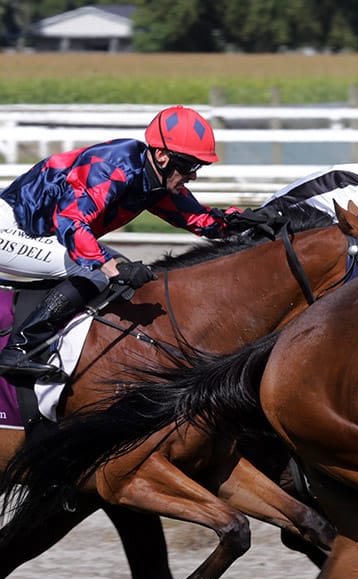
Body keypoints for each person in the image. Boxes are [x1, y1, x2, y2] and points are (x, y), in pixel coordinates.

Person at [0, 105, 260, 380]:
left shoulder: (157, 182)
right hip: (8, 228)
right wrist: (108, 266)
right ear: (162, 156)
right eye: (188, 165)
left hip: (39, 234)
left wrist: (252, 221)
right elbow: (71, 222)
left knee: (113, 267)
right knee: (95, 271)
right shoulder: (114, 167)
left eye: (198, 166)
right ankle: (20, 349)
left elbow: (202, 221)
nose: (193, 175)